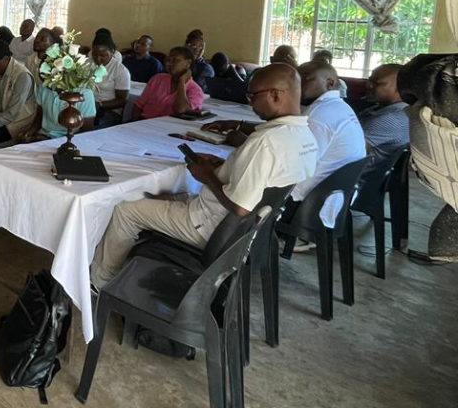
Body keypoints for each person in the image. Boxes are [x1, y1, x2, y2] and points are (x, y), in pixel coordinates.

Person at [92, 64, 319, 286]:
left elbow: (240, 208)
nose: (250, 103)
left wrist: (206, 176)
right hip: (242, 231)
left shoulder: (264, 142)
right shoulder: (304, 137)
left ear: (276, 95)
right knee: (159, 194)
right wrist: (224, 166)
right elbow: (262, 178)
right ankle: (138, 262)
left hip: (213, 226)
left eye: (253, 96)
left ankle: (101, 282)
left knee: (125, 210)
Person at [206, 61, 364, 228]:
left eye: (306, 79)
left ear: (329, 83)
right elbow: (285, 133)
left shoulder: (321, 115)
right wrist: (240, 125)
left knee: (231, 186)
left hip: (306, 204)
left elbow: (286, 154)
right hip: (332, 194)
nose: (298, 83)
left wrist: (243, 142)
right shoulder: (336, 107)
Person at [358, 64, 408, 182]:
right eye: (370, 80)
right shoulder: (389, 109)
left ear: (400, 87)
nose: (369, 85)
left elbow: (348, 150)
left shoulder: (390, 119)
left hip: (353, 179)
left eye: (377, 83)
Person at [132, 46, 205, 120]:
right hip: (144, 121)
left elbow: (181, 110)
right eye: (168, 60)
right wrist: (134, 122)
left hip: (167, 126)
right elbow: (139, 105)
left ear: (188, 63)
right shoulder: (158, 79)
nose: (169, 64)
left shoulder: (196, 90)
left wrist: (181, 82)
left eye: (175, 60)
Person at [17, 76, 97, 143]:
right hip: (43, 136)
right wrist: (30, 133)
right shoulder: (43, 88)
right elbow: (40, 116)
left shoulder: (84, 93)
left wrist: (58, 142)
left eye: (47, 76)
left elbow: (87, 130)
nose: (44, 80)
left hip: (71, 140)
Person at [89, 34, 132, 127]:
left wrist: (99, 105)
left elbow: (122, 100)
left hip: (108, 110)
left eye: (103, 55)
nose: (98, 59)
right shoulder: (87, 63)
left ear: (112, 52)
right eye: (94, 55)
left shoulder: (120, 70)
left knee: (90, 126)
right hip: (87, 107)